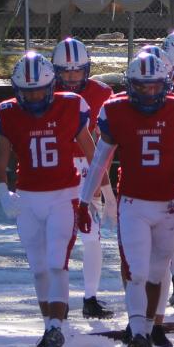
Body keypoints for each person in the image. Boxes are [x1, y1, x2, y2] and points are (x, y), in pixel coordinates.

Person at [77, 51, 174, 347]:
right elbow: (99, 160)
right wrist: (84, 198)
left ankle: (144, 331)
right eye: (142, 86)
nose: (149, 92)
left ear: (166, 84)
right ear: (130, 86)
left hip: (168, 204)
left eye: (155, 86)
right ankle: (139, 334)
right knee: (137, 272)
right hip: (132, 202)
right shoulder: (116, 110)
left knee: (157, 275)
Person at [0, 53, 95, 347]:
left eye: (39, 90)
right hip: (27, 197)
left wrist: (95, 194)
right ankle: (48, 325)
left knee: (56, 261)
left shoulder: (70, 105)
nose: (34, 96)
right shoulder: (7, 113)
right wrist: (2, 193)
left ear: (52, 86)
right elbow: (0, 164)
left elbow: (94, 153)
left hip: (63, 194)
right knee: (38, 269)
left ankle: (57, 327)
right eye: (28, 91)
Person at [51, 37, 116, 320]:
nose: (72, 77)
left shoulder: (102, 93)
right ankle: (58, 300)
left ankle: (90, 298)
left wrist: (104, 183)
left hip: (90, 168)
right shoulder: (44, 92)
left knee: (92, 236)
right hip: (57, 169)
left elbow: (107, 142)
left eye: (78, 71)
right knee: (59, 238)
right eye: (66, 72)